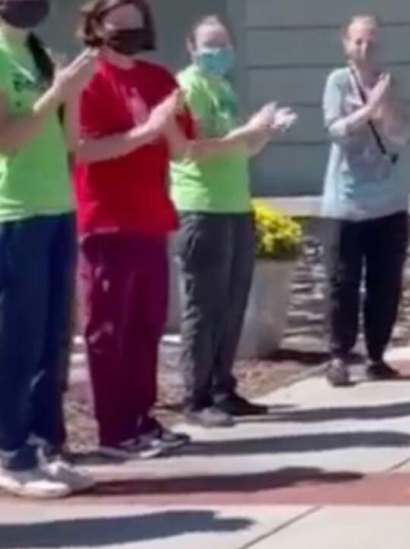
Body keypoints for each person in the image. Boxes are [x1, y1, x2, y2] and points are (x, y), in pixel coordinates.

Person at [0, 0, 98, 498]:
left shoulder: (40, 52)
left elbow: (69, 142)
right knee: (16, 339)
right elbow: (5, 138)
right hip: (13, 212)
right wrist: (53, 94)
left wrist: (72, 94)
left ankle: (44, 448)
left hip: (55, 208)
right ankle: (11, 457)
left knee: (50, 340)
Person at [69, 0, 192, 457]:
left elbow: (180, 150)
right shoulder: (88, 79)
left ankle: (142, 418)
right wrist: (145, 132)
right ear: (96, 28)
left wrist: (169, 128)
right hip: (104, 220)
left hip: (150, 218)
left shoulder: (158, 80)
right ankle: (115, 429)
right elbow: (82, 151)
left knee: (146, 325)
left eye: (135, 27)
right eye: (117, 27)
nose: (127, 35)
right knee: (107, 327)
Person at [170, 15, 296, 428]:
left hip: (235, 205)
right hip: (201, 207)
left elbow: (240, 149)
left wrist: (266, 132)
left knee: (232, 303)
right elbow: (197, 148)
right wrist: (249, 130)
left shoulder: (223, 87)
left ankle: (223, 388)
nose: (218, 53)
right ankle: (196, 396)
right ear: (191, 47)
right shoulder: (187, 88)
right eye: (209, 45)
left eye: (224, 45)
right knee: (203, 307)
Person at [321, 14, 410, 388]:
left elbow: (399, 136)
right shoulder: (337, 82)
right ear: (345, 44)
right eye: (358, 41)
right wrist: (368, 108)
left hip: (388, 201)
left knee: (385, 282)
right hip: (346, 201)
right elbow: (337, 131)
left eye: (371, 41)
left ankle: (376, 355)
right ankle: (339, 356)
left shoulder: (388, 83)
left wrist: (384, 106)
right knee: (343, 282)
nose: (365, 48)